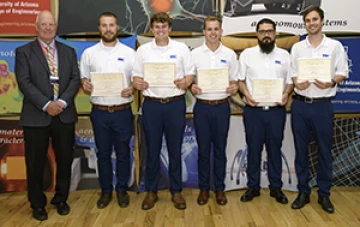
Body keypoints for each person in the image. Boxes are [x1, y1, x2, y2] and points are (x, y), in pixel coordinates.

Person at [15, 10, 80, 221]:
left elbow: (74, 80)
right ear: (36, 26)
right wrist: (46, 104)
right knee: (35, 162)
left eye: (51, 24)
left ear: (56, 27)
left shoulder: (69, 51)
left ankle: (61, 199)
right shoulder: (24, 51)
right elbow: (24, 82)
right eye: (43, 24)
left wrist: (60, 103)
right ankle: (37, 203)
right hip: (36, 115)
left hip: (64, 114)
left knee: (64, 159)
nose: (48, 28)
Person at [132, 12, 195, 210]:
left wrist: (186, 82)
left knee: (175, 150)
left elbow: (190, 75)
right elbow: (135, 77)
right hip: (151, 105)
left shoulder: (181, 48)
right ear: (152, 29)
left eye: (164, 27)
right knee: (152, 150)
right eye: (157, 27)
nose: (160, 30)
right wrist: (138, 83)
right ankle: (151, 191)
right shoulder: (143, 51)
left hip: (175, 104)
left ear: (170, 28)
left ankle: (176, 191)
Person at [290, 6, 348, 213]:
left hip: (323, 106)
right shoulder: (298, 48)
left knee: (324, 151)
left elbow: (343, 71)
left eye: (315, 19)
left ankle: (324, 194)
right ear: (304, 24)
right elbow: (293, 74)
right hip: (300, 105)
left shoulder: (334, 46)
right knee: (301, 151)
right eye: (308, 20)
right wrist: (298, 82)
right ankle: (303, 191)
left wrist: (331, 82)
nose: (311, 23)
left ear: (322, 21)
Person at [80, 12, 135, 209]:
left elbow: (136, 80)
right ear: (99, 28)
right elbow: (84, 79)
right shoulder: (89, 53)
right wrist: (85, 84)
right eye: (104, 25)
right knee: (102, 153)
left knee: (123, 152)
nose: (108, 29)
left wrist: (133, 88)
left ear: (117, 27)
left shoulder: (130, 53)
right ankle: (105, 191)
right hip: (99, 111)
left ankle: (121, 189)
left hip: (122, 111)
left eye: (111, 25)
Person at [238, 18, 293, 204]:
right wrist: (246, 94)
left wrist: (286, 93)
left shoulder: (285, 55)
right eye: (262, 31)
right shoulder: (247, 54)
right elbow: (240, 80)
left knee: (274, 150)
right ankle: (252, 187)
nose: (266, 35)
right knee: (253, 150)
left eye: (269, 31)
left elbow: (291, 81)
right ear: (257, 34)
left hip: (276, 111)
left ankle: (276, 187)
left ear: (275, 33)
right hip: (254, 111)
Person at [190, 16, 239, 206]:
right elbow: (189, 80)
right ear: (204, 32)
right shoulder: (194, 54)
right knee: (203, 151)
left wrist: (234, 87)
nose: (213, 33)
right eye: (209, 29)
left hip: (221, 107)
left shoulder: (229, 54)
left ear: (221, 31)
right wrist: (191, 87)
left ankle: (219, 188)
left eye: (216, 29)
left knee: (220, 150)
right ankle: (204, 189)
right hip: (202, 107)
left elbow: (235, 80)